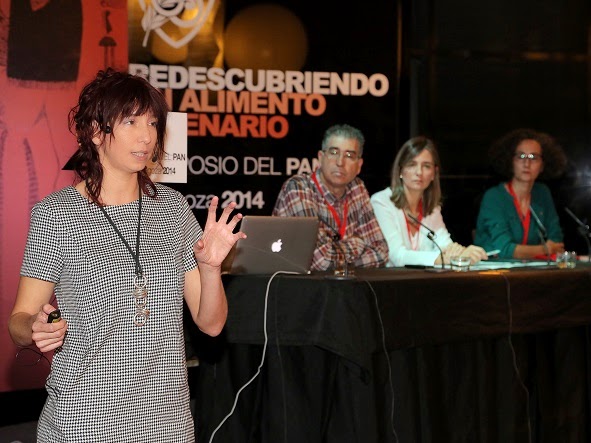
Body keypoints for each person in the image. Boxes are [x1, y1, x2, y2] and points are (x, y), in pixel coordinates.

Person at [7, 68, 246, 442]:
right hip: (85, 420)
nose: (147, 136)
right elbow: (19, 322)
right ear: (95, 132)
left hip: (168, 422)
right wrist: (35, 328)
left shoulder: (173, 208)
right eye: (131, 121)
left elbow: (211, 324)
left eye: (152, 123)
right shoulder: (57, 213)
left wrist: (210, 267)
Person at [272, 123, 388, 272]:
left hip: (337, 283)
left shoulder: (357, 187)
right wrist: (357, 244)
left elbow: (381, 252)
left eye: (349, 155)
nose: (340, 162)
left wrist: (338, 257)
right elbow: (321, 261)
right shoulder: (299, 188)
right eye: (334, 152)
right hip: (292, 283)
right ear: (321, 158)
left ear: (359, 165)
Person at [371, 136, 487, 267]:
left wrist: (463, 253)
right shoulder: (381, 202)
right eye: (412, 165)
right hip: (388, 279)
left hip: (423, 279)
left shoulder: (432, 207)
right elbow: (396, 255)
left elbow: (445, 246)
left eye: (426, 166)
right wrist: (443, 258)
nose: (419, 172)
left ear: (433, 173)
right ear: (400, 170)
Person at [474, 128, 566, 259]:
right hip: (494, 268)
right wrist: (545, 249)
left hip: (532, 267)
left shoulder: (542, 193)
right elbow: (504, 249)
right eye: (521, 156)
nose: (527, 163)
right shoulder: (494, 197)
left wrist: (547, 248)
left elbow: (556, 240)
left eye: (534, 157)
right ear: (511, 161)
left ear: (542, 165)